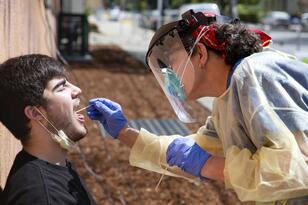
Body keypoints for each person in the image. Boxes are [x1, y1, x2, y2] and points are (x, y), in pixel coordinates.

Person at [86, 10, 308, 205]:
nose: (168, 75)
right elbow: (189, 151)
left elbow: (297, 168)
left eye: (171, 64)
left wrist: (207, 165)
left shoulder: (255, 73)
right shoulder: (226, 101)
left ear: (200, 53)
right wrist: (124, 132)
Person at [0, 54, 97, 205]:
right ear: (35, 113)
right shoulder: (42, 197)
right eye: (61, 87)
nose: (77, 90)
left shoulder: (56, 163)